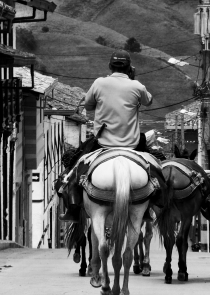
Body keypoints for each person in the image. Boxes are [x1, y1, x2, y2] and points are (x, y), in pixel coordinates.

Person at [59, 49, 155, 221]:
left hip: (103, 143)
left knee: (73, 171)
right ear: (129, 68)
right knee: (157, 170)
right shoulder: (137, 86)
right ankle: (151, 207)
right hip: (132, 144)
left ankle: (73, 208)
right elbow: (149, 101)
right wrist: (132, 80)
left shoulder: (99, 83)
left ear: (110, 66)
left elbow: (88, 107)